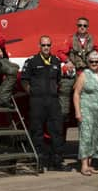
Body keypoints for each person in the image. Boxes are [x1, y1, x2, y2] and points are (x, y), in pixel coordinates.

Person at [20, 36, 69, 172]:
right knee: (37, 131)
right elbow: (24, 80)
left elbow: (58, 80)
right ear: (39, 46)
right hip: (37, 101)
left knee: (57, 131)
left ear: (51, 46)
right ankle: (38, 162)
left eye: (48, 45)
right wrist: (33, 92)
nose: (46, 47)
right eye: (43, 45)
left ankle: (57, 162)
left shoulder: (56, 61)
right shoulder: (31, 61)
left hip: (53, 101)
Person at [56, 17, 98, 131]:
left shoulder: (93, 40)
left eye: (85, 26)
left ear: (88, 27)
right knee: (65, 90)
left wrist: (96, 62)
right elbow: (60, 52)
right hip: (75, 71)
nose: (82, 27)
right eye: (80, 25)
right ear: (77, 26)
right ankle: (64, 114)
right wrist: (67, 61)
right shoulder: (71, 39)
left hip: (87, 72)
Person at [73, 51, 98, 176]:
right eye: (91, 62)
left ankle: (90, 163)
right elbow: (76, 94)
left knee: (96, 137)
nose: (94, 64)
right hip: (86, 110)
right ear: (88, 62)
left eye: (97, 62)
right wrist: (78, 111)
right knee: (86, 136)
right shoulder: (84, 75)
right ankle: (84, 165)